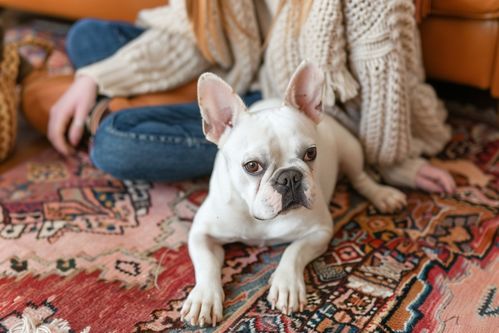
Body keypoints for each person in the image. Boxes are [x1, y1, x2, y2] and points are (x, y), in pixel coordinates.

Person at [48, 0, 456, 192]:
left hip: (284, 108)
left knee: (116, 144)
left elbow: (385, 74)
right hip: (237, 77)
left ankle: (130, 111)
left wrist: (394, 161)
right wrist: (94, 77)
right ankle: (130, 104)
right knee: (88, 37)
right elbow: (197, 37)